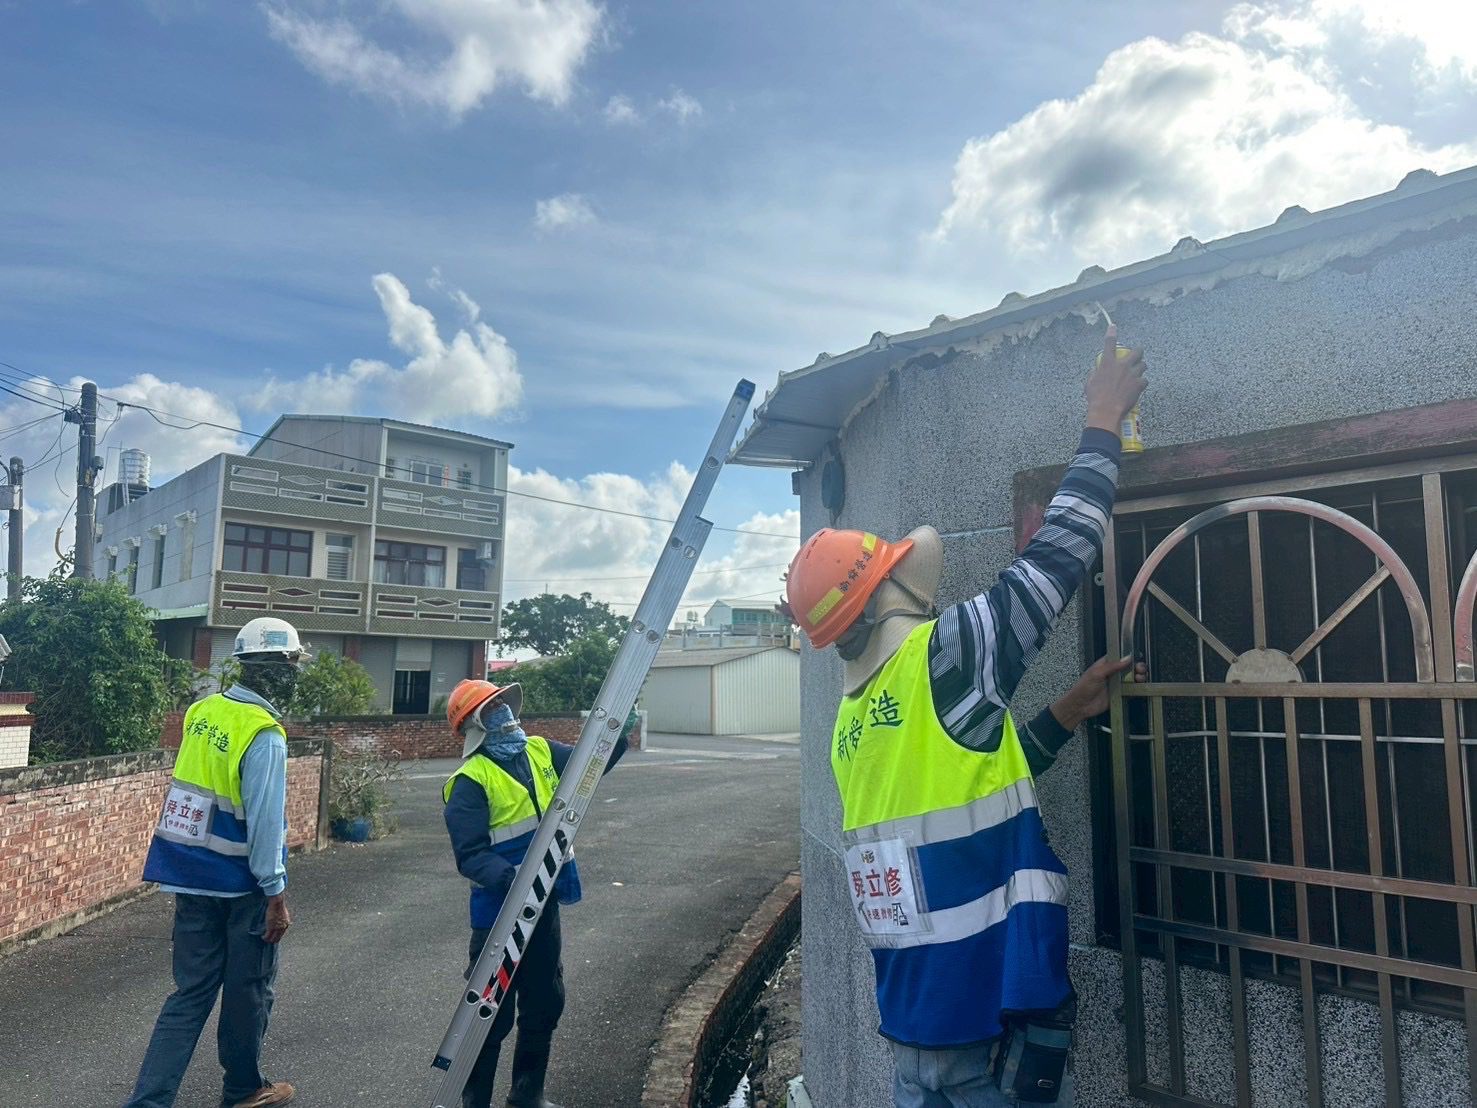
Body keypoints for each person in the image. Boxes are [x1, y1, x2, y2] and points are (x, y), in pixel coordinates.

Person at [779, 326, 1148, 1107]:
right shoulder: (945, 654)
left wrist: (1064, 713)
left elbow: (969, 775)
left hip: (917, 1033)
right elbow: (1062, 551)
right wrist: (1103, 419)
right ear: (883, 596)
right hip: (994, 1028)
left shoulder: (852, 725)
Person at [124, 617, 308, 1108]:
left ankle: (149, 1101)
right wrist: (276, 895)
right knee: (248, 991)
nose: (296, 675)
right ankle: (243, 1091)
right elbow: (266, 822)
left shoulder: (202, 712)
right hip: (242, 885)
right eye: (293, 665)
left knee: (189, 995)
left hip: (189, 875)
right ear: (279, 670)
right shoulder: (264, 733)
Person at [442, 681, 631, 1108]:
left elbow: (592, 765)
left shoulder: (540, 750)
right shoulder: (470, 780)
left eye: (505, 708)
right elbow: (470, 855)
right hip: (498, 917)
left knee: (545, 1001)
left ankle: (527, 1095)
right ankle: (475, 1102)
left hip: (542, 907)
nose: (507, 718)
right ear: (474, 726)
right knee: (489, 1016)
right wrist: (513, 879)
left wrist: (622, 729)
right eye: (493, 712)